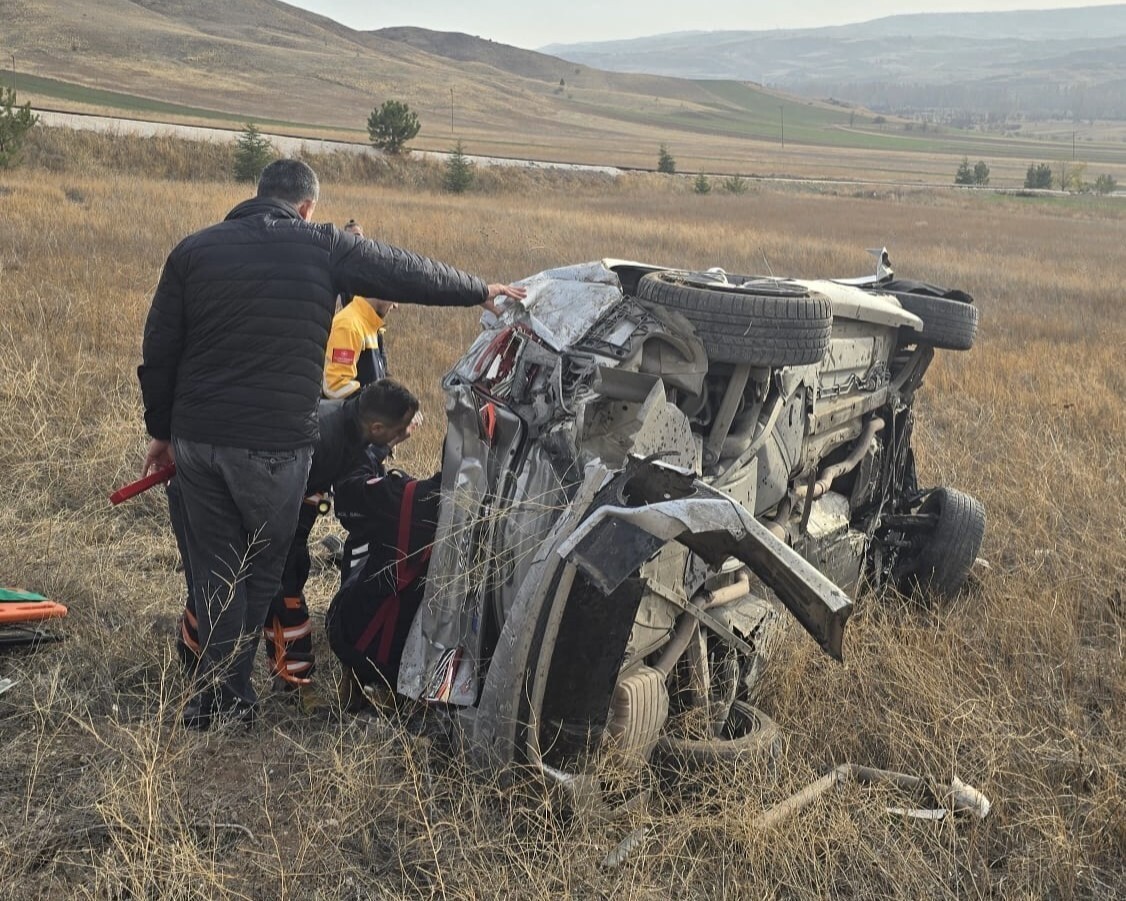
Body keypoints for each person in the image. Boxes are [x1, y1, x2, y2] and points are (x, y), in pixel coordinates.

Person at [138, 158, 526, 731]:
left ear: (257, 195)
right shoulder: (323, 245)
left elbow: (160, 347)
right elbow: (399, 270)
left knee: (216, 570)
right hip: (274, 448)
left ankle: (213, 697)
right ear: (308, 207)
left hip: (197, 441)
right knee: (262, 570)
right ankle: (231, 698)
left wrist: (161, 431)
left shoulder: (193, 249)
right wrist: (479, 291)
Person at [264, 379, 420, 689]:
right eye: (398, 429)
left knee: (287, 580)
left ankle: (292, 674)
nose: (403, 435)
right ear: (376, 427)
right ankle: (290, 681)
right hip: (270, 505)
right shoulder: (325, 438)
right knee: (282, 588)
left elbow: (359, 460)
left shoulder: (352, 424)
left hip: (291, 496)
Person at [322, 220, 398, 399]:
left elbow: (375, 378)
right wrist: (384, 408)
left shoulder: (371, 326)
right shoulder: (348, 326)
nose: (396, 304)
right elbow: (336, 387)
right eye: (394, 296)